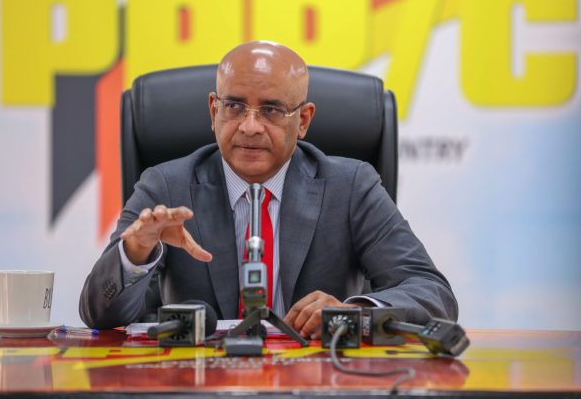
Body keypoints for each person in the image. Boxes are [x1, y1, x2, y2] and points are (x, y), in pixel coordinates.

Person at [79, 41, 458, 338]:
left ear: (303, 120)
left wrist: (355, 312)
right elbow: (99, 315)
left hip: (317, 382)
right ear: (213, 111)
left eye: (272, 110)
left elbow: (432, 293)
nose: (250, 126)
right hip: (199, 383)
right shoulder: (166, 185)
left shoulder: (350, 187)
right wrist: (135, 254)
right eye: (234, 106)